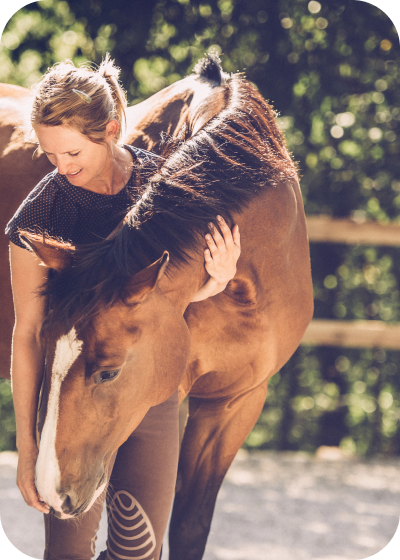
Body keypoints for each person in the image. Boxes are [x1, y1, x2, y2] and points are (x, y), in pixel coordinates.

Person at [6, 55, 240, 560]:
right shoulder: (40, 215)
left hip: (146, 394)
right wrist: (27, 450)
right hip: (73, 400)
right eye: (50, 156)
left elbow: (155, 305)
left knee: (140, 552)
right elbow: (27, 335)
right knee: (68, 553)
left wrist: (215, 280)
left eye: (72, 152)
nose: (62, 168)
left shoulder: (165, 193)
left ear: (110, 130)